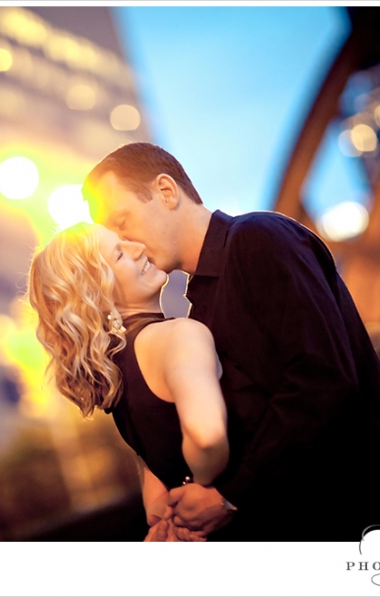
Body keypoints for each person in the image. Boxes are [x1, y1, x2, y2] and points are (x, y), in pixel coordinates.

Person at [81, 142, 380, 541]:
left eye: (122, 221)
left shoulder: (259, 239)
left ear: (166, 191)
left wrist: (230, 495)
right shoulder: (198, 310)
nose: (128, 244)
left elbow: (324, 379)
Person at [28, 222, 232, 541]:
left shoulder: (112, 375)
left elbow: (154, 500)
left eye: (125, 240)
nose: (138, 248)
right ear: (98, 293)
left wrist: (171, 520)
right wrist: (202, 486)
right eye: (120, 253)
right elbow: (206, 435)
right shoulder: (179, 336)